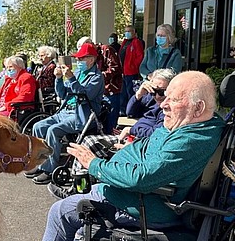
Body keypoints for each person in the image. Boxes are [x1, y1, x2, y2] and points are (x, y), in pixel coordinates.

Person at [6, 71, 224, 241]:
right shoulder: (200, 126)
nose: (164, 104)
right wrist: (125, 160)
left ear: (198, 107)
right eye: (165, 97)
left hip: (147, 205)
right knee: (78, 203)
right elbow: (147, 156)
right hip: (144, 194)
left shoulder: (189, 139)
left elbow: (142, 177)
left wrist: (95, 164)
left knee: (61, 211)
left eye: (173, 99)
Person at [47, 69, 176, 199]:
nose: (157, 96)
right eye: (154, 91)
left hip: (140, 143)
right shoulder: (153, 99)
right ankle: (78, 189)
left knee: (90, 143)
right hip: (132, 137)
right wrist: (139, 94)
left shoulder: (168, 109)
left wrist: (132, 130)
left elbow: (157, 132)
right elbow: (130, 111)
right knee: (86, 142)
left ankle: (78, 192)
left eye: (161, 92)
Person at [26, 43, 104, 185]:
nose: (78, 62)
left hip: (82, 114)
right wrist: (59, 79)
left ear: (91, 59)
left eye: (81, 59)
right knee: (38, 126)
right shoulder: (79, 73)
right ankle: (40, 163)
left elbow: (84, 96)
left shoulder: (97, 77)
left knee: (53, 130)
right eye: (78, 59)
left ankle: (49, 169)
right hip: (66, 110)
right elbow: (62, 93)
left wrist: (71, 78)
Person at [119, 25, 144, 113]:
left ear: (134, 33)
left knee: (131, 92)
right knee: (123, 92)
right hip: (123, 71)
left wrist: (134, 66)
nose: (127, 33)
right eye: (126, 31)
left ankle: (131, 110)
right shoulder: (125, 42)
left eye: (129, 31)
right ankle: (123, 110)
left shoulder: (136, 42)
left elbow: (139, 56)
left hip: (131, 72)